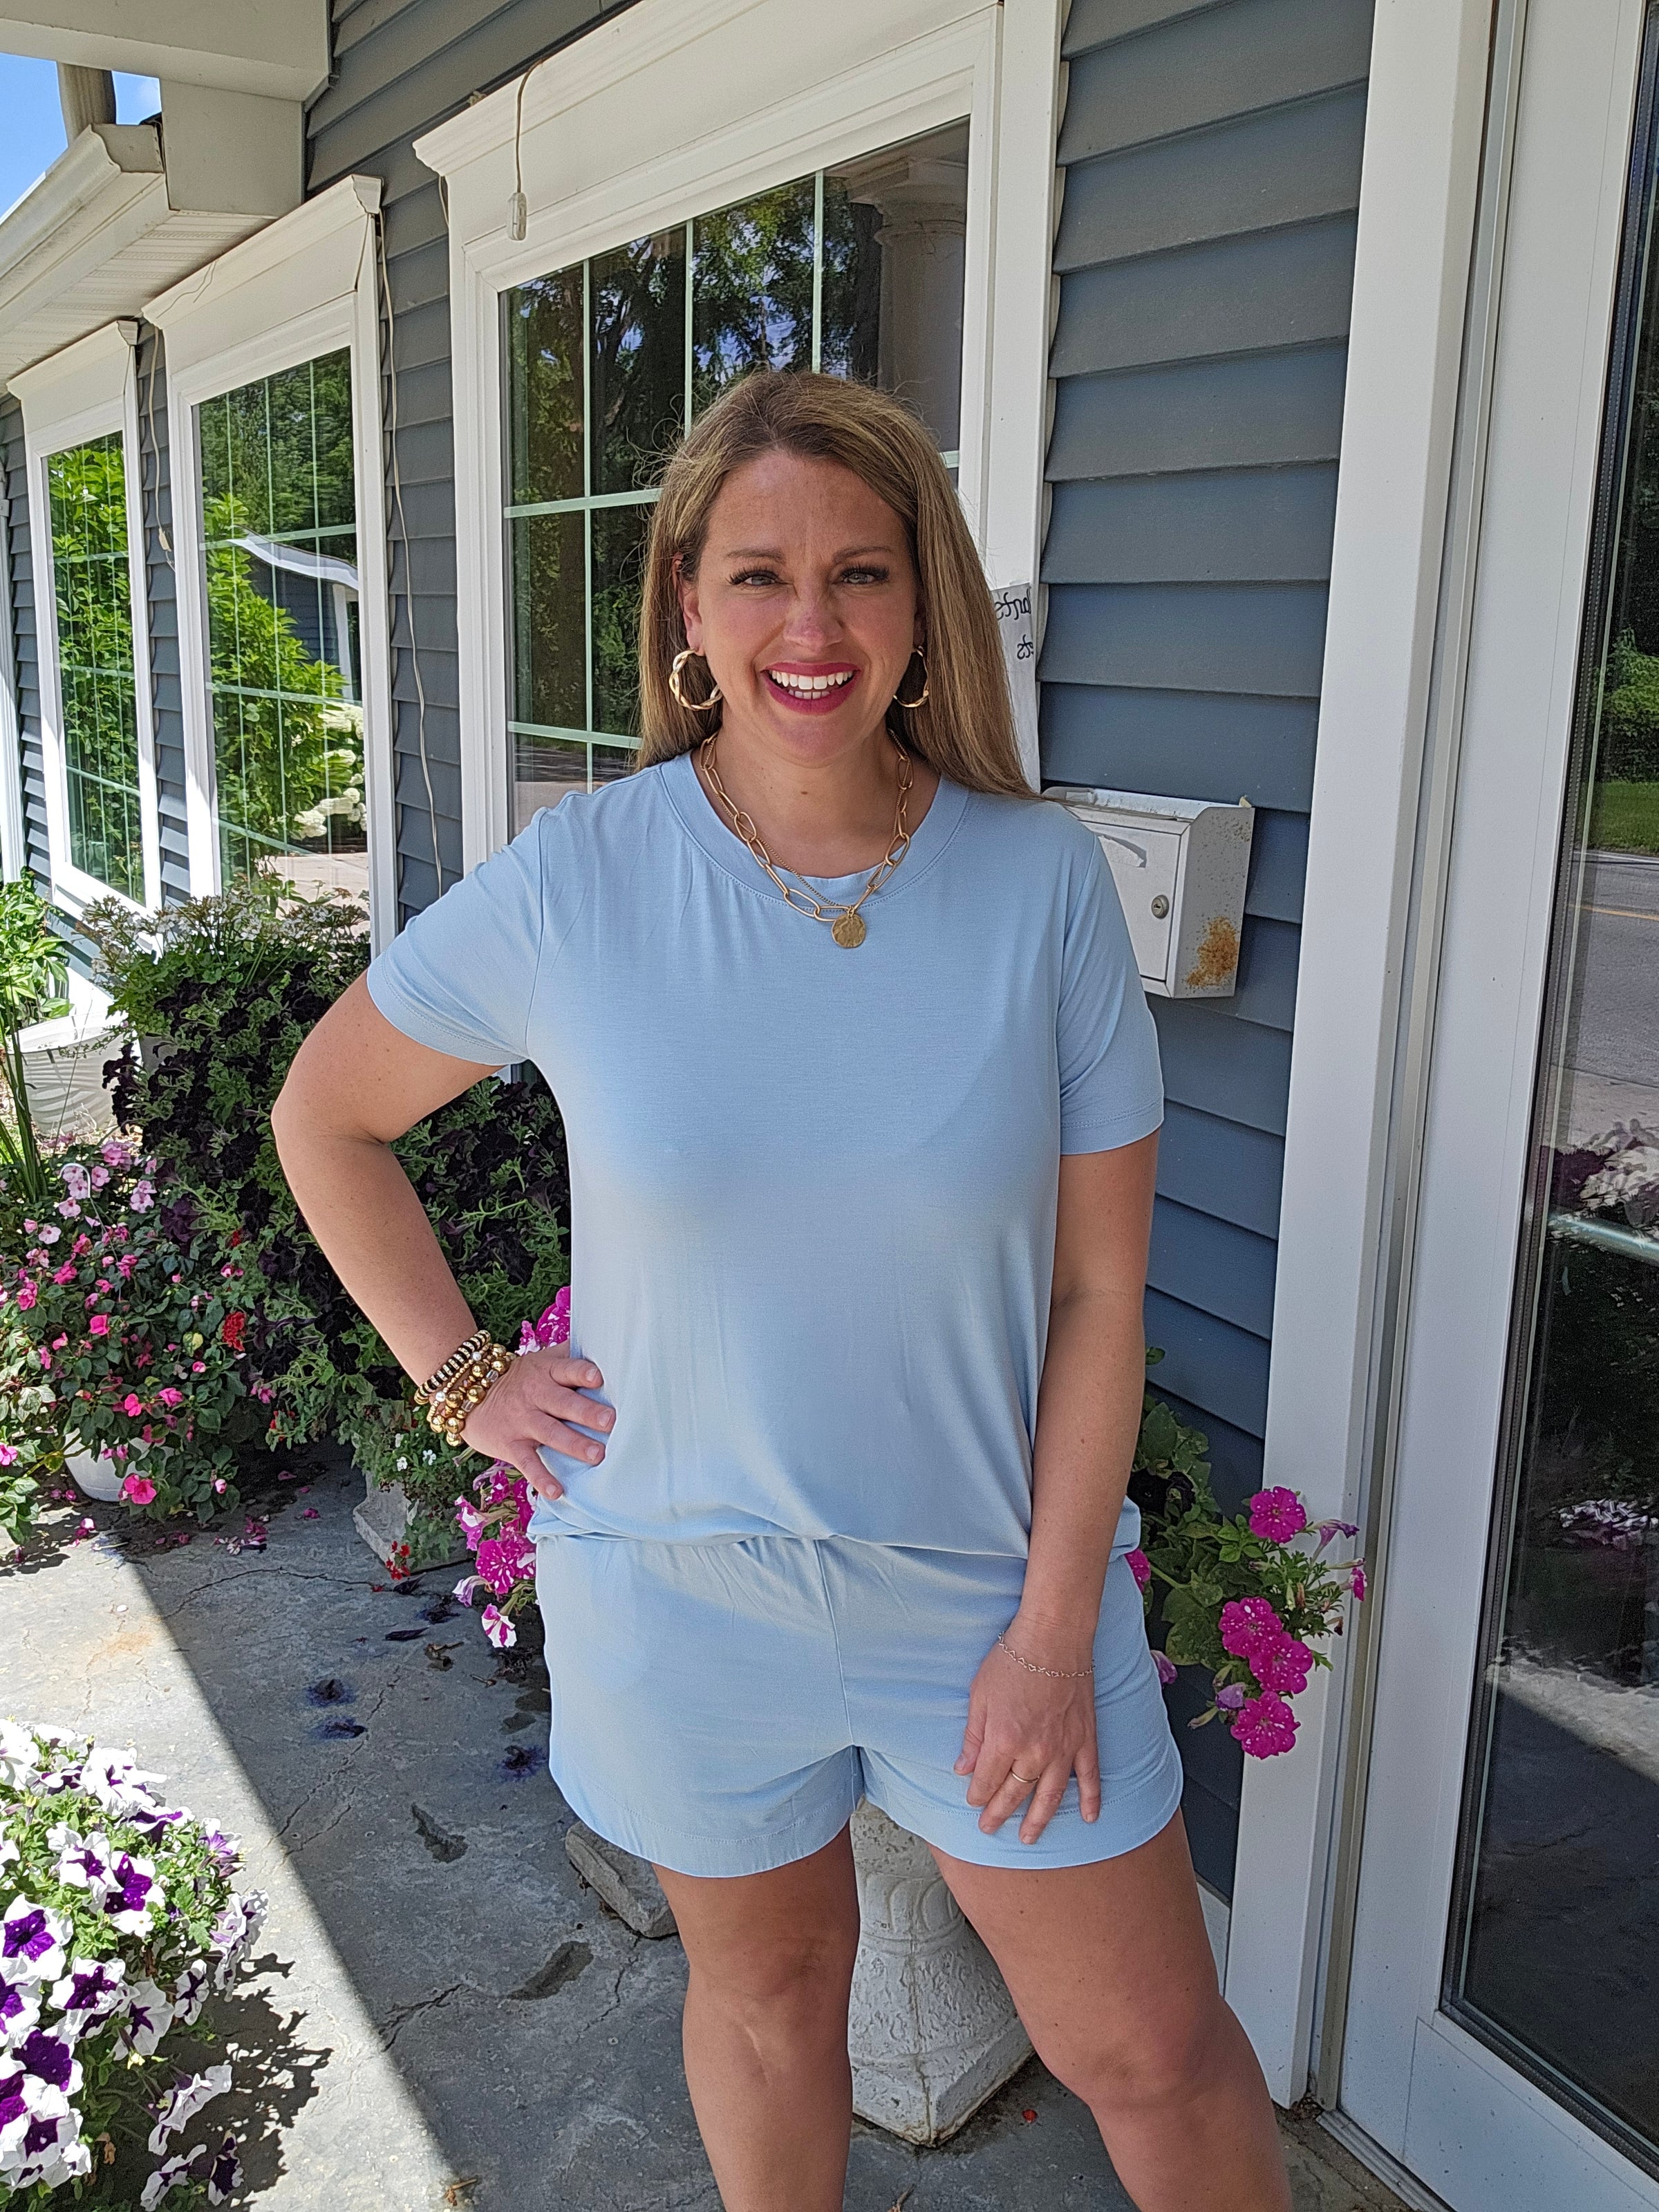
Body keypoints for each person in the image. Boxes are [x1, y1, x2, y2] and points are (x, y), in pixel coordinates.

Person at [272, 370, 1291, 2212]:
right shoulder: (582, 879)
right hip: (675, 1592)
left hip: (988, 1594)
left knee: (1153, 2050)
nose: (808, 627)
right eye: (757, 576)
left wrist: (1055, 1631)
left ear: (923, 603)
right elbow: (327, 1118)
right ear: (687, 604)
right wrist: (462, 1377)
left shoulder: (1040, 885)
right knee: (767, 2008)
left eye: (859, 573)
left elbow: (1098, 1295)